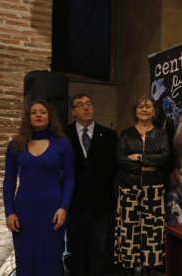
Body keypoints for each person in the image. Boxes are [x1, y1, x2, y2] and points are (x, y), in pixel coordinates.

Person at [3, 100, 74, 275]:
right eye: (34, 112)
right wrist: (9, 212)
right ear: (28, 117)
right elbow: (9, 180)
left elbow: (70, 179)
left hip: (52, 210)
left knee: (50, 258)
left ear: (50, 117)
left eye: (43, 112)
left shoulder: (62, 143)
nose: (38, 115)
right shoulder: (16, 145)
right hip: (23, 211)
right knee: (25, 258)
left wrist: (63, 208)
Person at [114, 95, 170, 276]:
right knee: (128, 229)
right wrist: (146, 166)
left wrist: (138, 157)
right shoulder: (126, 134)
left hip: (154, 190)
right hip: (129, 188)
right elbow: (120, 160)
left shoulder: (161, 134)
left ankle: (150, 268)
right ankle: (129, 268)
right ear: (135, 111)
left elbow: (164, 157)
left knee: (153, 229)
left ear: (154, 111)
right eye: (140, 107)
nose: (144, 110)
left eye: (148, 107)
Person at [64, 93, 118, 275]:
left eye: (89, 103)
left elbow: (115, 169)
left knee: (100, 250)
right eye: (80, 105)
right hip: (73, 204)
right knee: (74, 250)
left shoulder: (110, 135)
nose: (86, 107)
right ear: (73, 112)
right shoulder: (63, 135)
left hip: (101, 205)